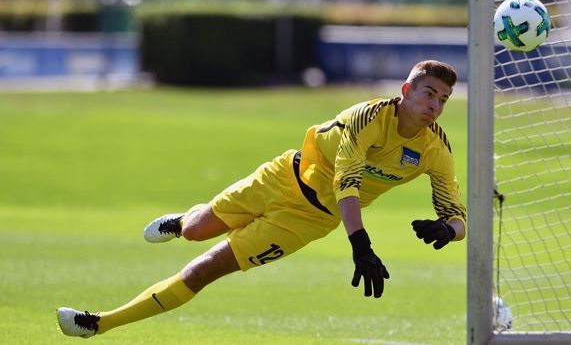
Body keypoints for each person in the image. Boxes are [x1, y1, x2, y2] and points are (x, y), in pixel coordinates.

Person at [56, 59, 467, 338]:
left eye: (444, 99)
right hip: (281, 177)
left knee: (204, 271)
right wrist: (361, 243)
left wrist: (446, 230)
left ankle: (100, 324)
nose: (435, 105)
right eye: (429, 94)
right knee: (197, 231)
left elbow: (458, 215)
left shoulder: (436, 149)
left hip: (309, 220)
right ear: (406, 90)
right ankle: (182, 222)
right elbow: (349, 181)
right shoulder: (369, 117)